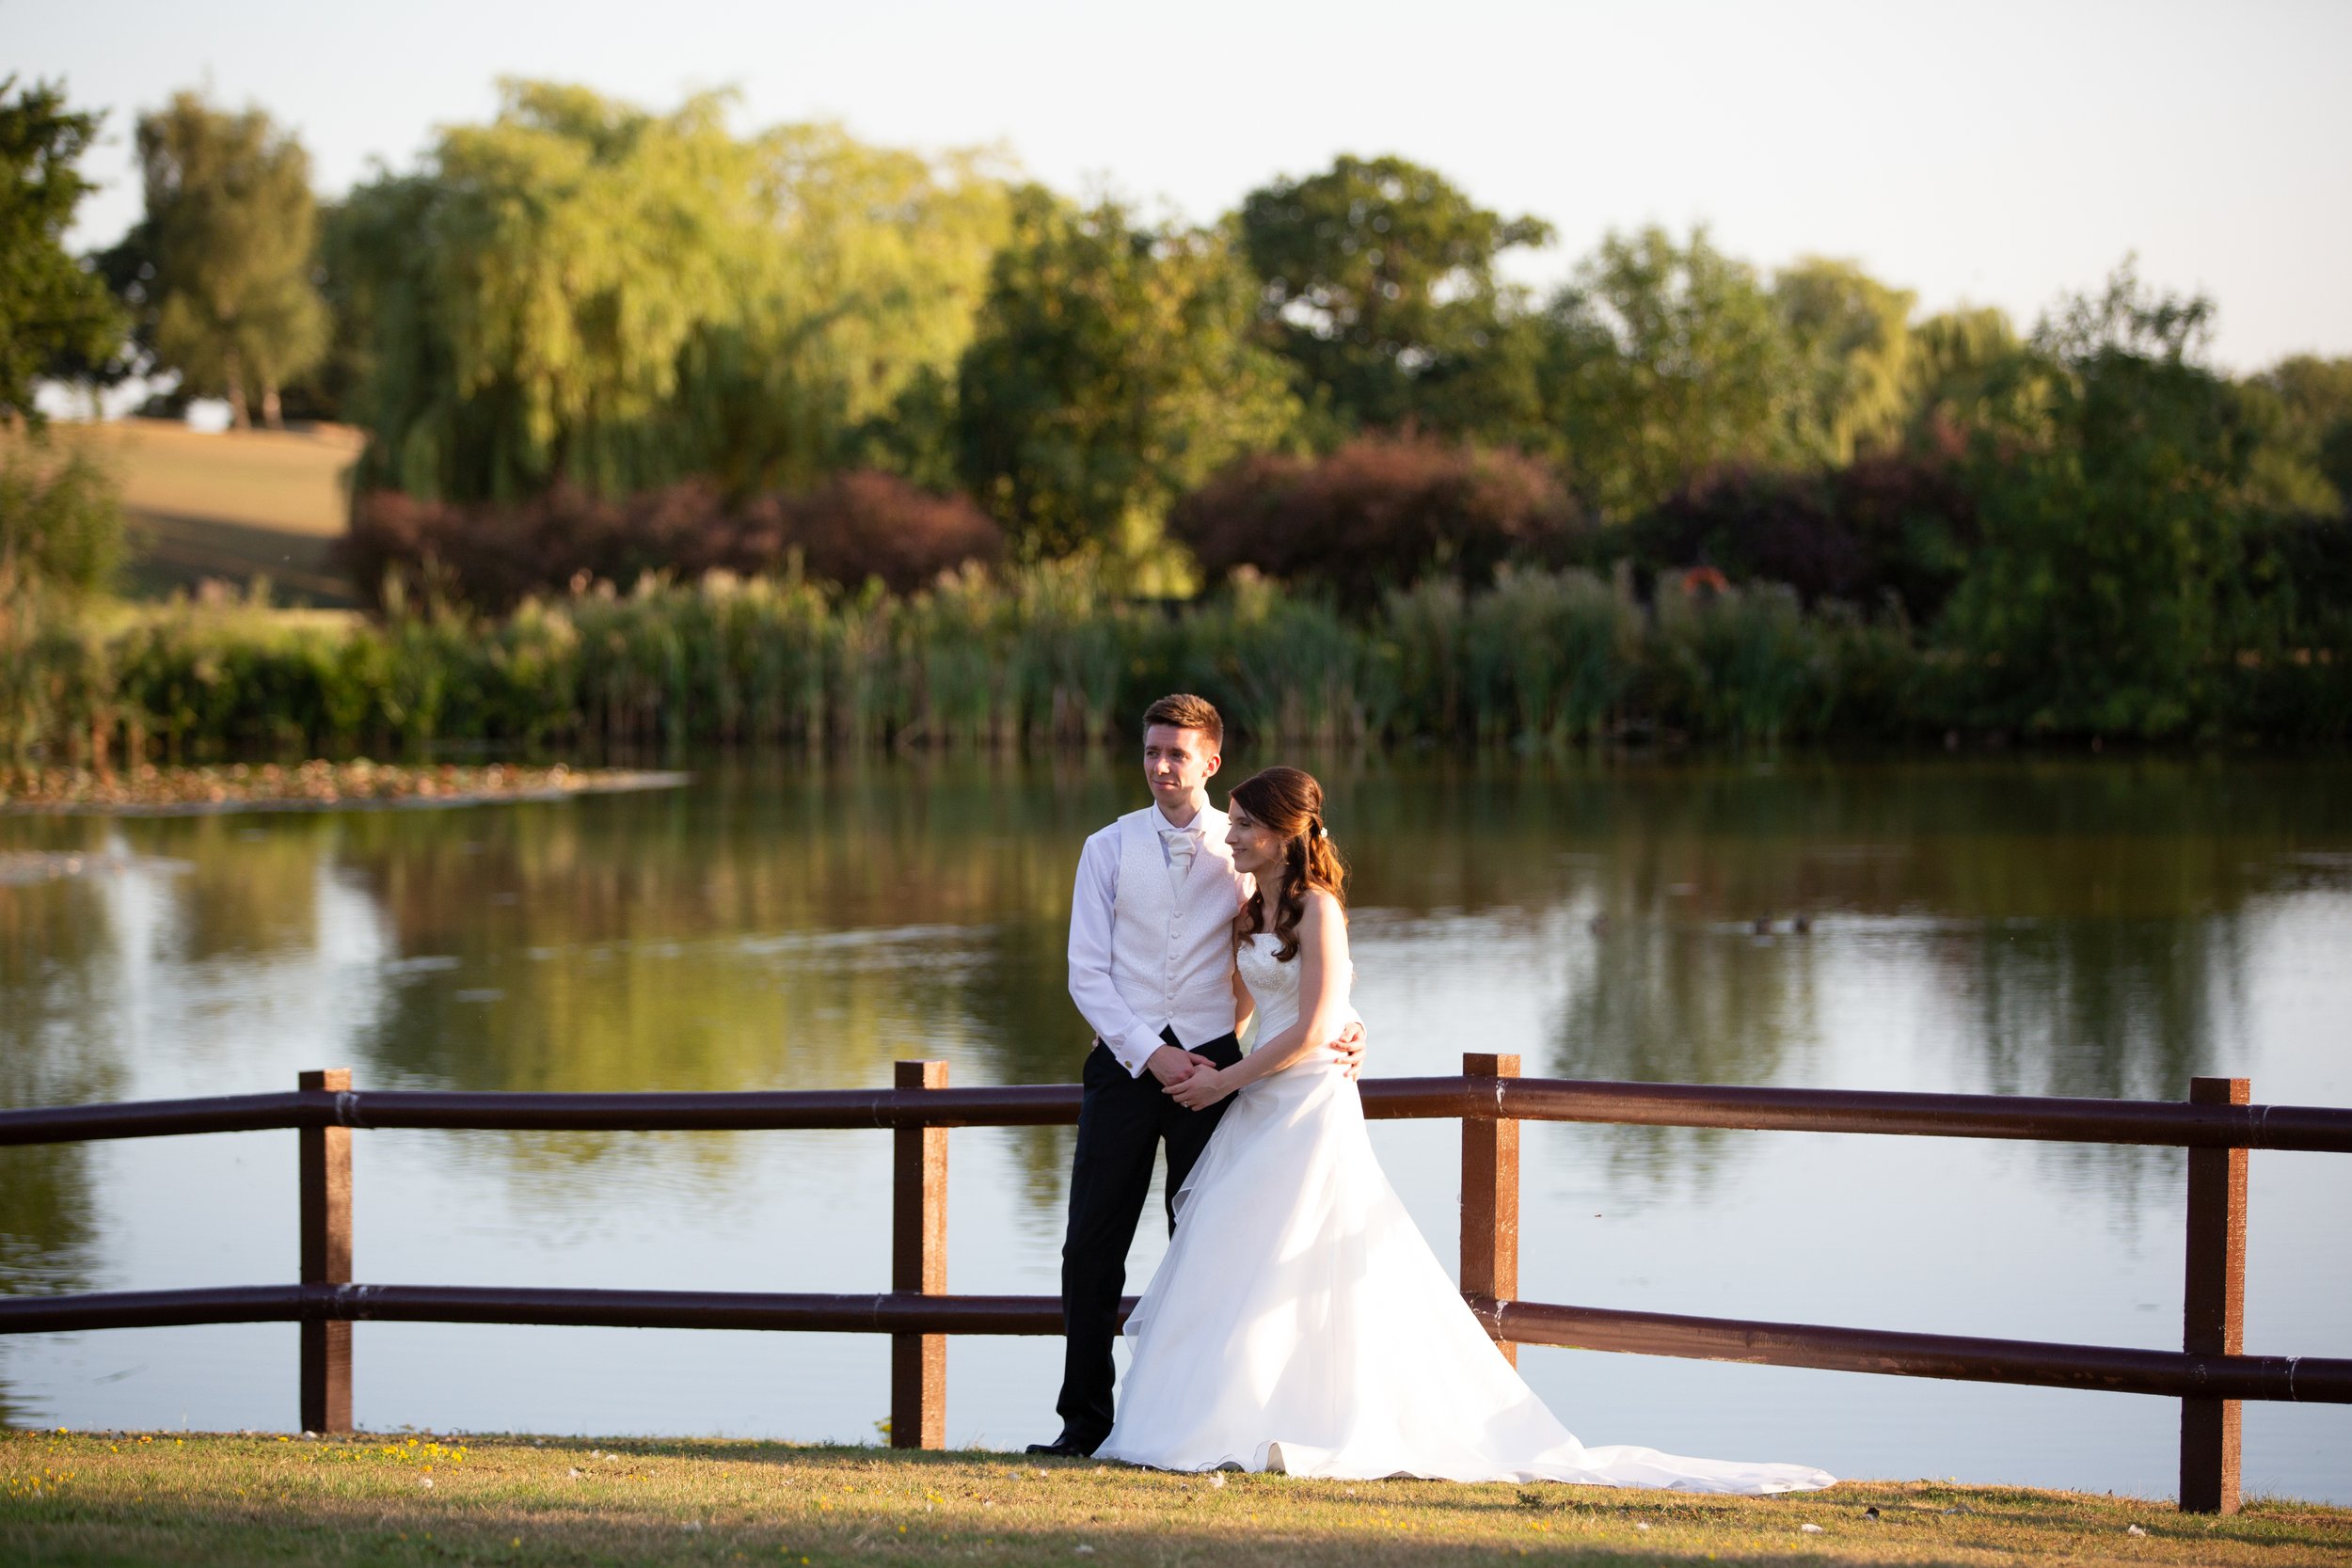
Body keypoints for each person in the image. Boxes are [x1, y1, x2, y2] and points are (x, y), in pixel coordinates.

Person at [1095, 765, 1836, 1491]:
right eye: (1235, 819)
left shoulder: (1319, 907)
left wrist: (1246, 1070)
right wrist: (1223, 1059)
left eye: (1248, 822)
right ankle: (1230, 1416)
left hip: (1310, 1102)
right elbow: (1251, 1011)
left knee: (1306, 1248)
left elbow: (1319, 1020)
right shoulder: (1247, 911)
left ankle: (1317, 1416)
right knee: (1239, 1249)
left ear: (1287, 834)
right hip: (1262, 1099)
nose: (1235, 834)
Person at [1031, 696, 1364, 1458]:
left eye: (1177, 754)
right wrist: (1151, 1052)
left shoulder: (1248, 845)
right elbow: (1086, 974)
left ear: (1211, 762)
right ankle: (1085, 1423)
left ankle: (1201, 1421)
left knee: (1208, 1246)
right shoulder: (1105, 848)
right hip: (1124, 1068)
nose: (1160, 767)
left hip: (1221, 1070)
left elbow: (1296, 949)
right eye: (1151, 752)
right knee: (1090, 1248)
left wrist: (1346, 1020)